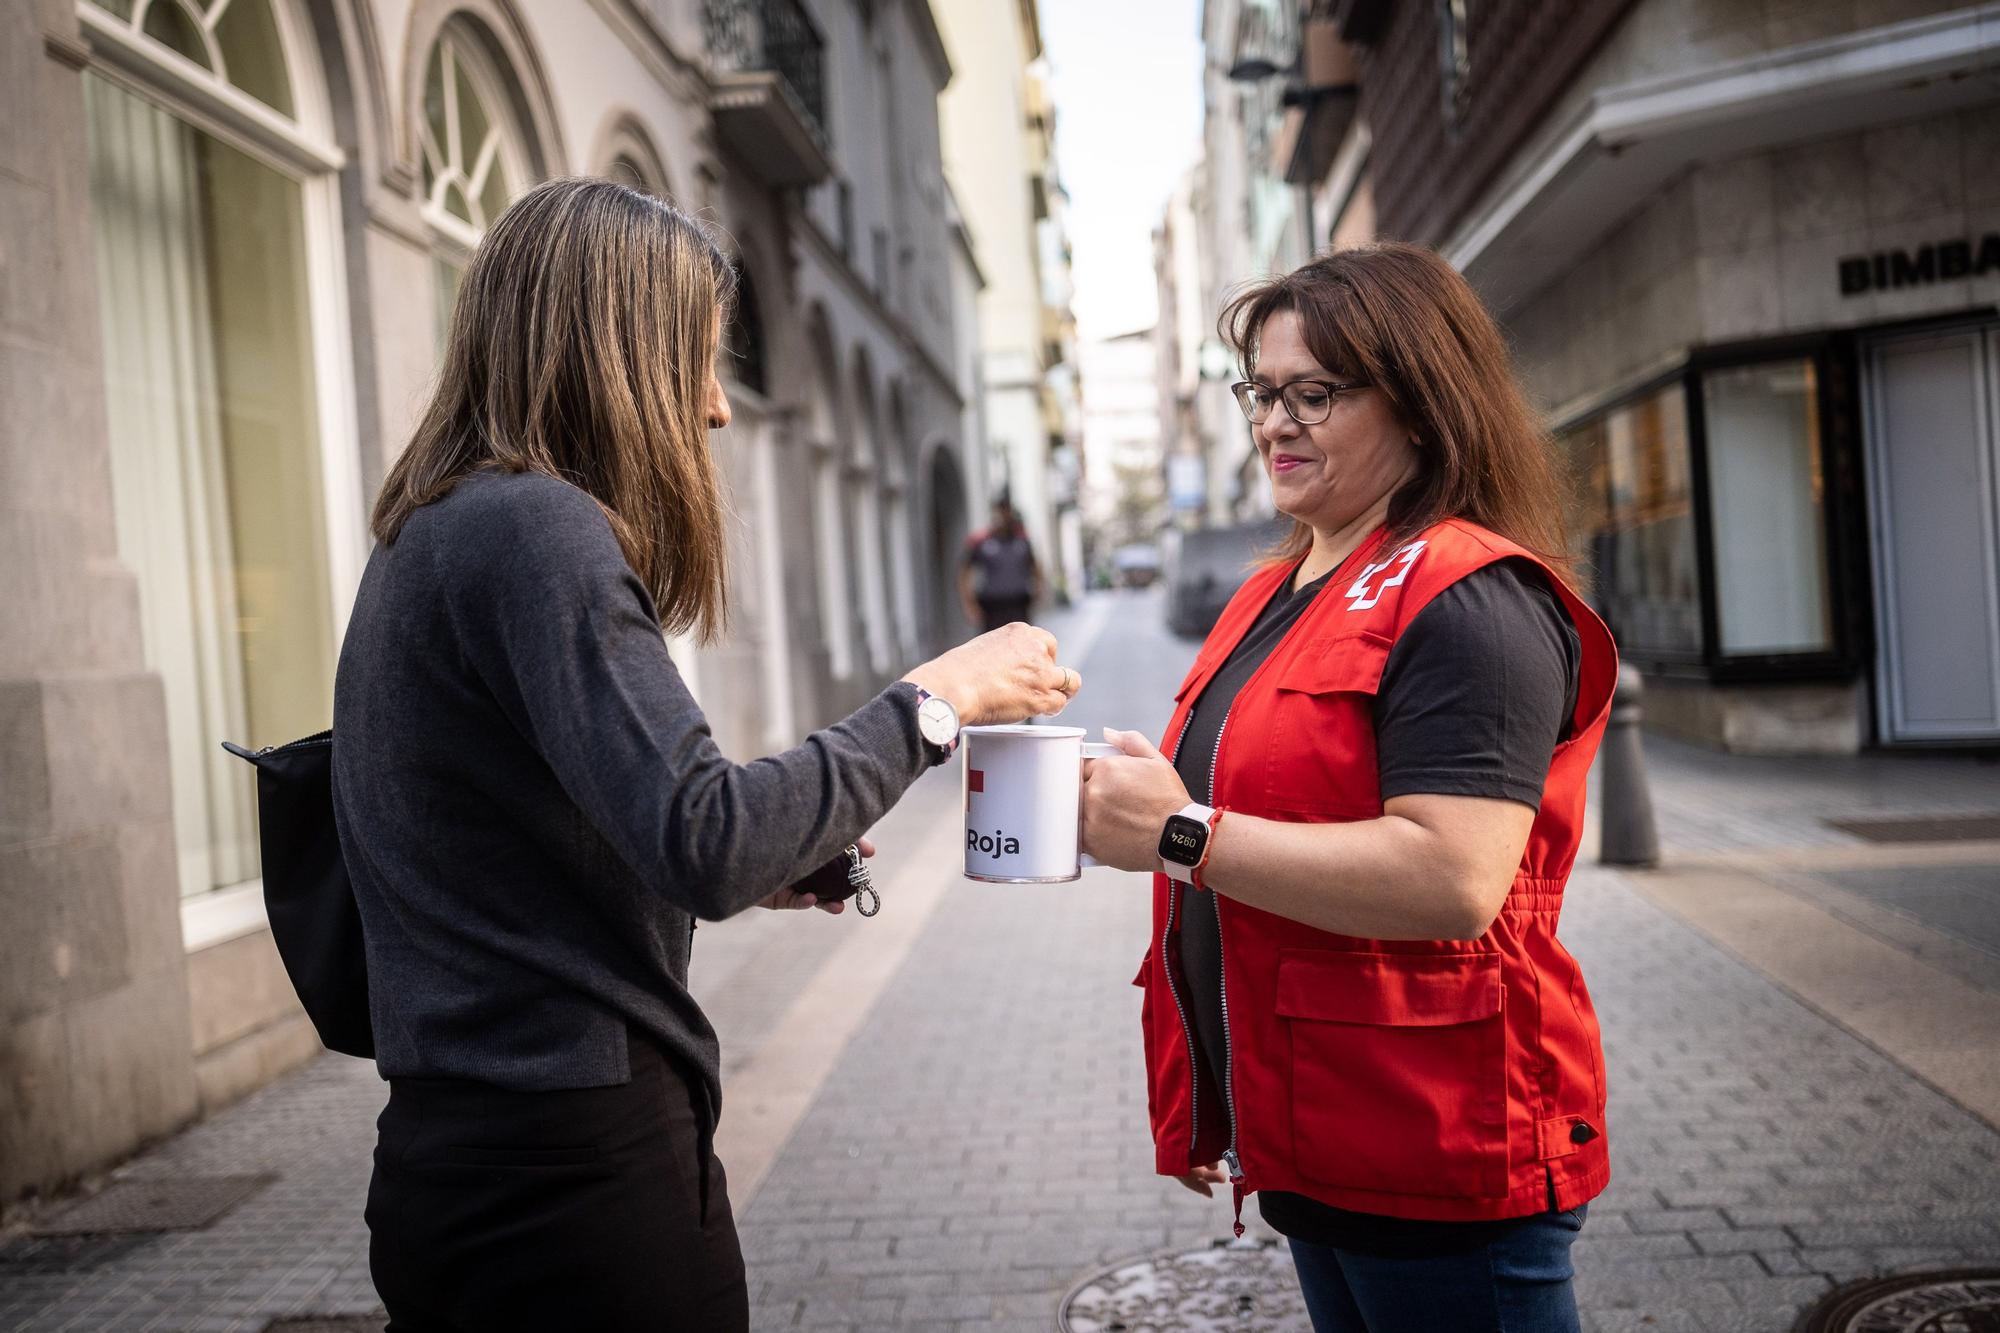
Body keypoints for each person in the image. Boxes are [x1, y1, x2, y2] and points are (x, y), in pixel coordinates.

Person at [332, 178, 1082, 1333]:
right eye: (698, 358)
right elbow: (708, 836)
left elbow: (536, 829)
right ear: (617, 350)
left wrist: (749, 853)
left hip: (474, 1152)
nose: (716, 408)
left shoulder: (437, 526)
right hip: (569, 1176)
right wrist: (936, 699)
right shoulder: (538, 529)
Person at [1080, 243, 1619, 1333]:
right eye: (1262, 392)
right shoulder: (1272, 589)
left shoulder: (1470, 598)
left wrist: (1178, 832)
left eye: (1314, 394)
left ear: (1420, 405)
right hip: (1314, 1130)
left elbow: (1452, 875)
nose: (1275, 423)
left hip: (1438, 1139)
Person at [959, 497, 1043, 631]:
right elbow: (965, 573)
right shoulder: (982, 542)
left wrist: (1038, 590)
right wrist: (970, 604)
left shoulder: (1022, 541)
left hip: (1018, 603)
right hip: (992, 607)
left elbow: (1036, 568)